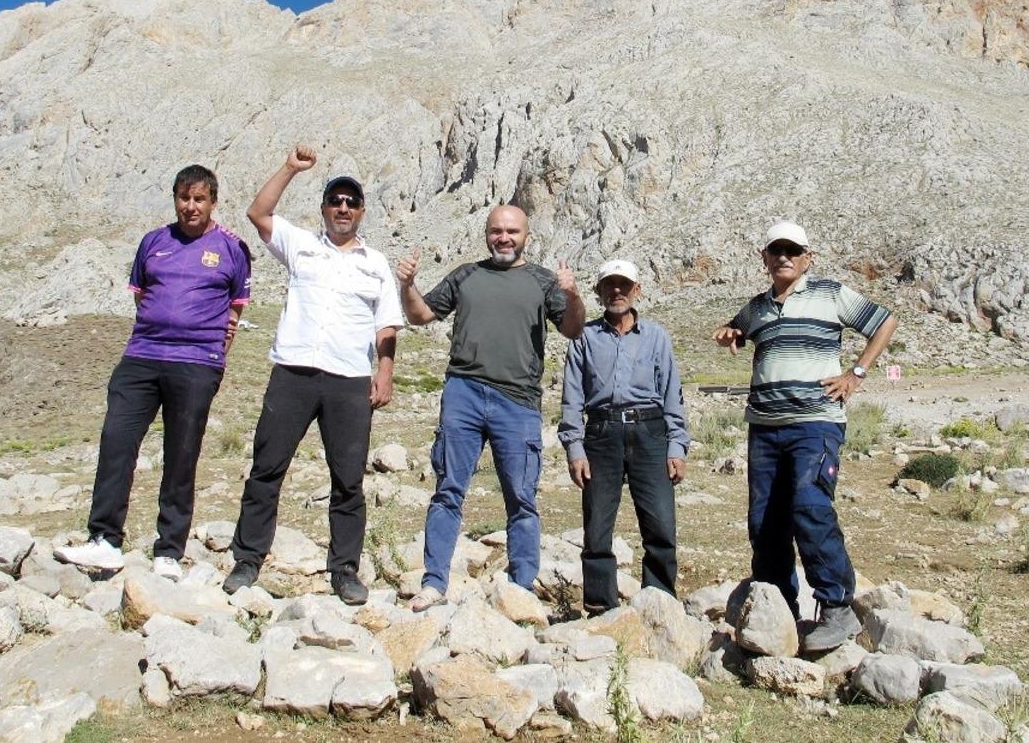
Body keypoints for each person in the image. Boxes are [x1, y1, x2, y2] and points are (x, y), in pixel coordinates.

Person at [222, 145, 402, 605]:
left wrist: (385, 372)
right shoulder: (300, 245)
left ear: (361, 212)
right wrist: (290, 168)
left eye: (351, 202)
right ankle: (247, 560)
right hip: (294, 373)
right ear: (323, 209)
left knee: (348, 479)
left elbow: (387, 324)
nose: (343, 208)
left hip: (348, 380)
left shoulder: (375, 263)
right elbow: (258, 212)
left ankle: (344, 570)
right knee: (267, 468)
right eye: (335, 201)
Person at [56, 165, 252, 580]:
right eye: (184, 198)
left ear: (213, 201)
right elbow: (143, 296)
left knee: (181, 454)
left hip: (197, 363)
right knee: (116, 442)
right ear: (175, 199)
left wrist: (215, 358)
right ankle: (104, 540)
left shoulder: (232, 248)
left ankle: (168, 550)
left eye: (199, 199)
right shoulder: (154, 241)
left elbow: (234, 311)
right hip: (141, 357)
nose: (190, 207)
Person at [713, 220, 898, 652]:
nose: (784, 257)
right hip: (765, 427)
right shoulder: (757, 307)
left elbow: (885, 322)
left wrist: (856, 372)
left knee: (810, 507)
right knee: (765, 521)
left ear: (807, 258)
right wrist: (731, 334)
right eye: (776, 250)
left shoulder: (829, 293)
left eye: (792, 251)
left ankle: (836, 608)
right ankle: (779, 610)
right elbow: (736, 330)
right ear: (764, 258)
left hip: (815, 423)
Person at [396, 204, 585, 610]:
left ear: (526, 237)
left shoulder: (543, 281)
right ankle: (434, 582)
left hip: (518, 402)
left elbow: (572, 329)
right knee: (448, 490)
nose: (504, 238)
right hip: (463, 392)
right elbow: (420, 315)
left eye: (512, 231)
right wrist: (408, 284)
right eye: (497, 230)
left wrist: (571, 294)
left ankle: (520, 587)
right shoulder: (466, 275)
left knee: (521, 497)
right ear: (486, 233)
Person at [559, 259, 690, 613]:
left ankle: (659, 601)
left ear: (637, 290)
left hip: (651, 431)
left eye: (624, 285)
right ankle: (601, 605)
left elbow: (672, 393)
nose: (617, 291)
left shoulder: (656, 337)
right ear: (599, 292)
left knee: (660, 521)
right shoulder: (583, 337)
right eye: (609, 285)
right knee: (597, 524)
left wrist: (677, 446)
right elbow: (572, 397)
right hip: (600, 433)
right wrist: (574, 448)